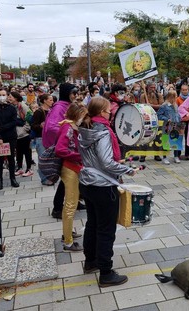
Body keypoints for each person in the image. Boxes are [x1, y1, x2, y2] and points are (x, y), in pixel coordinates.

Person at [78, 96, 137, 287]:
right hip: (103, 186)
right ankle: (106, 272)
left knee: (93, 224)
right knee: (106, 229)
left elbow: (94, 158)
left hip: (87, 183)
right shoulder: (102, 132)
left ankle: (91, 262)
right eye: (107, 109)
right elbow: (105, 162)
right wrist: (128, 169)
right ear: (101, 112)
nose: (111, 111)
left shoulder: (84, 129)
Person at [43, 83, 78, 219]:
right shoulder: (59, 107)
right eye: (73, 93)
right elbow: (52, 127)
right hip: (63, 149)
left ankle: (76, 200)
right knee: (66, 179)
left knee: (74, 178)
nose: (75, 96)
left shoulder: (67, 106)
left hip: (69, 147)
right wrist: (68, 134)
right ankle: (57, 208)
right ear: (65, 93)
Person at [56, 103, 87, 252]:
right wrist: (79, 156)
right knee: (70, 205)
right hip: (70, 168)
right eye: (83, 115)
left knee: (71, 203)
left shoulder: (70, 127)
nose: (84, 118)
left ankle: (67, 233)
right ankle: (68, 242)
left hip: (72, 167)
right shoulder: (68, 128)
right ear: (77, 115)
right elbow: (60, 149)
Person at [0, 89, 22, 190]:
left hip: (10, 136)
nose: (1, 96)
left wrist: (0, 128)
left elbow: (13, 122)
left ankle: (12, 178)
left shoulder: (12, 108)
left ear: (7, 96)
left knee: (11, 158)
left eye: (3, 94)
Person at [9, 91, 33, 177]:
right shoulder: (13, 106)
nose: (9, 98)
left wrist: (25, 129)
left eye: (10, 96)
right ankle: (19, 168)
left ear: (15, 98)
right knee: (19, 151)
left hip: (24, 133)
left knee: (27, 151)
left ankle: (29, 169)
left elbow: (30, 117)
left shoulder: (22, 106)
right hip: (17, 133)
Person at [32, 93, 54, 185]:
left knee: (51, 159)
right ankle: (44, 179)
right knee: (42, 159)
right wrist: (40, 126)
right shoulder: (39, 112)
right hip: (40, 138)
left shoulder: (52, 111)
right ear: (44, 101)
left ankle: (51, 177)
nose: (52, 102)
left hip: (50, 138)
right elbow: (33, 125)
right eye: (50, 100)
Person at [157, 90, 182, 164]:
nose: (174, 99)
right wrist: (167, 119)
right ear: (169, 97)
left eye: (175, 97)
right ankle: (165, 157)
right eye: (173, 97)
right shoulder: (164, 106)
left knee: (176, 140)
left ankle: (176, 156)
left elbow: (177, 114)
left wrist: (180, 119)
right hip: (168, 125)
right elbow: (159, 115)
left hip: (176, 124)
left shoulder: (175, 105)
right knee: (166, 140)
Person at [176, 84, 189, 160]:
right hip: (181, 120)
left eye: (186, 90)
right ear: (181, 90)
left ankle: (188, 154)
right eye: (183, 90)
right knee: (180, 137)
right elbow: (177, 110)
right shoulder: (178, 99)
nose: (185, 91)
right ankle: (178, 154)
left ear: (188, 90)